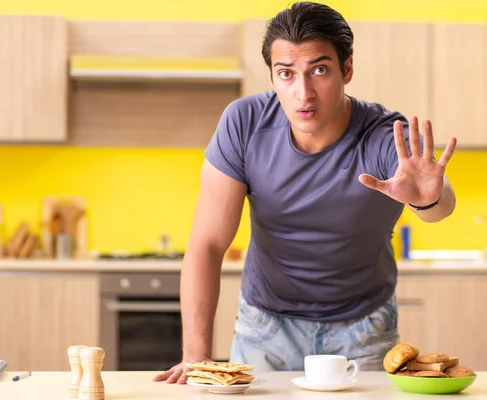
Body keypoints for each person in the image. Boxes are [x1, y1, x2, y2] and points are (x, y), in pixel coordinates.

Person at [154, 1, 456, 384]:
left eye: (319, 70)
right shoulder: (243, 124)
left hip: (363, 327)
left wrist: (428, 196)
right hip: (265, 325)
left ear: (346, 69)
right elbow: (208, 245)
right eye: (286, 74)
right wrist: (196, 358)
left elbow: (437, 207)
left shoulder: (382, 135)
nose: (303, 93)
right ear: (272, 76)